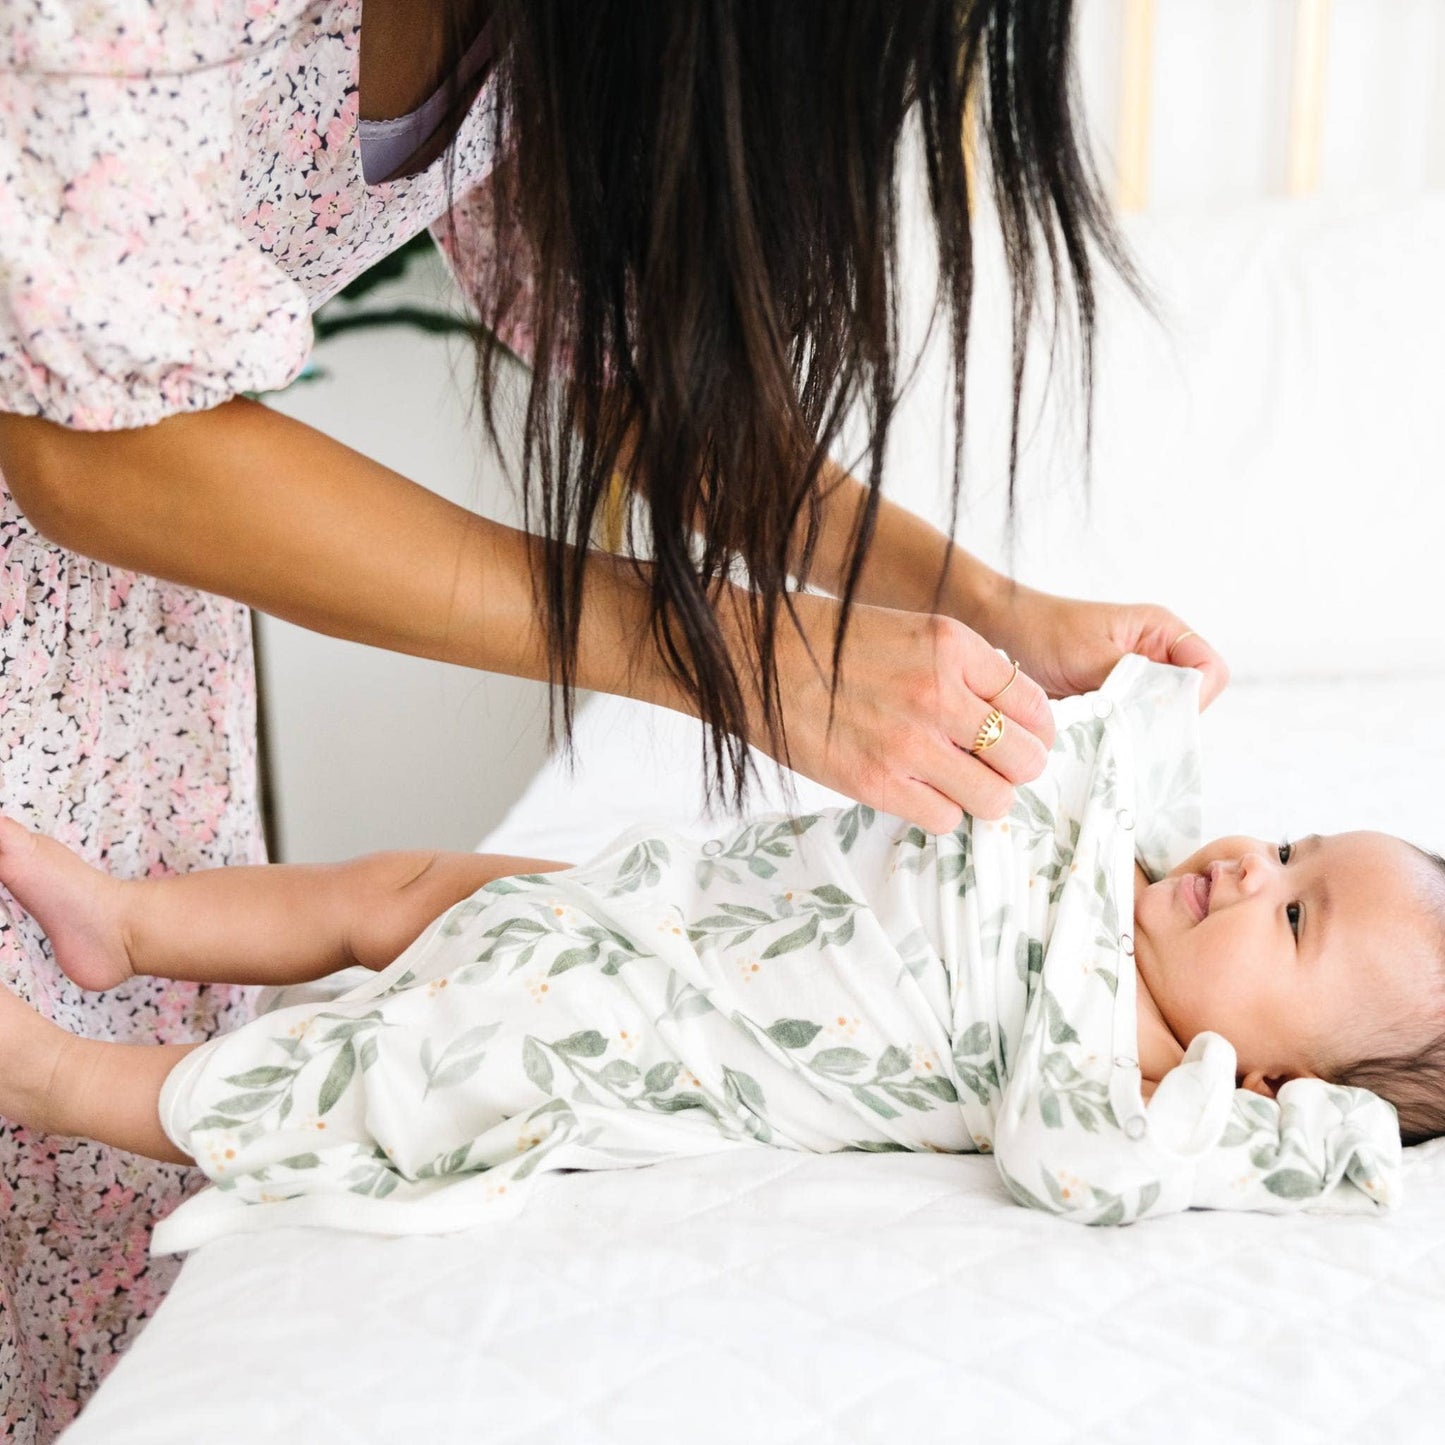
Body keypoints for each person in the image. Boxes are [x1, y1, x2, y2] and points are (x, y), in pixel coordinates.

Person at [0, 0, 1229, 1430]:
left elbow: (648, 380)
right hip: (112, 523)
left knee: (86, 1250)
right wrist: (720, 650)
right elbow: (88, 451)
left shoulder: (564, 44)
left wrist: (983, 605)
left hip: (120, 651)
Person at [0, 657, 1420, 1251]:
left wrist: (1294, 1127)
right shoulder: (1124, 851)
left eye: (1293, 917)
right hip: (660, 896)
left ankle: (64, 1075)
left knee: (378, 1069)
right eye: (1290, 845)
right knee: (404, 886)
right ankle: (123, 919)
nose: (1253, 868)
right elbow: (1093, 736)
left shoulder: (1128, 1068)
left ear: (1268, 1067)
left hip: (641, 1023)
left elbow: (1081, 1166)